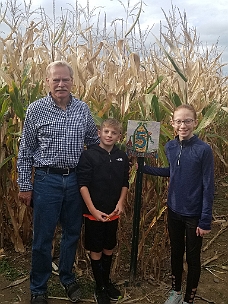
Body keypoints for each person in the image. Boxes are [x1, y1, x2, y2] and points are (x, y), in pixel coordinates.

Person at [17, 61, 99, 304]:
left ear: (73, 82)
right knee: (43, 237)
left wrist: (117, 158)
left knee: (72, 233)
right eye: (56, 80)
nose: (61, 84)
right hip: (46, 180)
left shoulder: (82, 109)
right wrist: (25, 185)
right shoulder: (36, 109)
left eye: (65, 79)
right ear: (47, 82)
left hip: (75, 180)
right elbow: (26, 150)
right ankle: (39, 288)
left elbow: (94, 142)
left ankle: (67, 277)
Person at [143, 105, 214, 304]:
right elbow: (172, 171)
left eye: (188, 121)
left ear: (195, 122)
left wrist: (205, 220)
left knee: (192, 259)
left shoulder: (204, 150)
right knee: (175, 252)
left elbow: (208, 186)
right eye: (179, 121)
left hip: (194, 214)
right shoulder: (170, 147)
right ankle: (175, 292)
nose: (183, 125)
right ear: (172, 123)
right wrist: (143, 169)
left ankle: (188, 299)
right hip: (174, 210)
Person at [77, 118, 129, 304]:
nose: (109, 135)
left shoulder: (121, 156)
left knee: (109, 246)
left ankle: (107, 283)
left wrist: (121, 203)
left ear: (119, 136)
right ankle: (99, 287)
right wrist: (92, 209)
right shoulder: (89, 155)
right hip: (93, 212)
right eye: (106, 131)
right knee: (96, 248)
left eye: (114, 133)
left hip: (113, 211)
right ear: (99, 133)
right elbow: (82, 184)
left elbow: (125, 182)